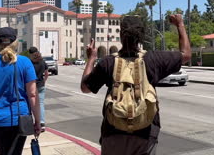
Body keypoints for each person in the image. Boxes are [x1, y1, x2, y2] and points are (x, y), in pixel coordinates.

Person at [80, 15, 191, 155]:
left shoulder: (108, 62)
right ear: (141, 36)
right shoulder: (154, 59)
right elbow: (186, 55)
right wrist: (180, 24)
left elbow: (85, 88)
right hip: (144, 137)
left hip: (113, 135)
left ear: (121, 35)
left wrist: (91, 58)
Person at [0, 27, 41, 155]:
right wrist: (38, 121)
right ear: (16, 42)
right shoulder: (24, 62)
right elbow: (32, 94)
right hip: (18, 120)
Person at [28, 47, 49, 132]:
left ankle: (30, 122)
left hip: (32, 85)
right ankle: (42, 123)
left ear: (30, 54)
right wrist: (44, 81)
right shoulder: (42, 62)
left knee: (30, 104)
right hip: (41, 85)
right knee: (40, 104)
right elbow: (46, 73)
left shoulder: (30, 63)